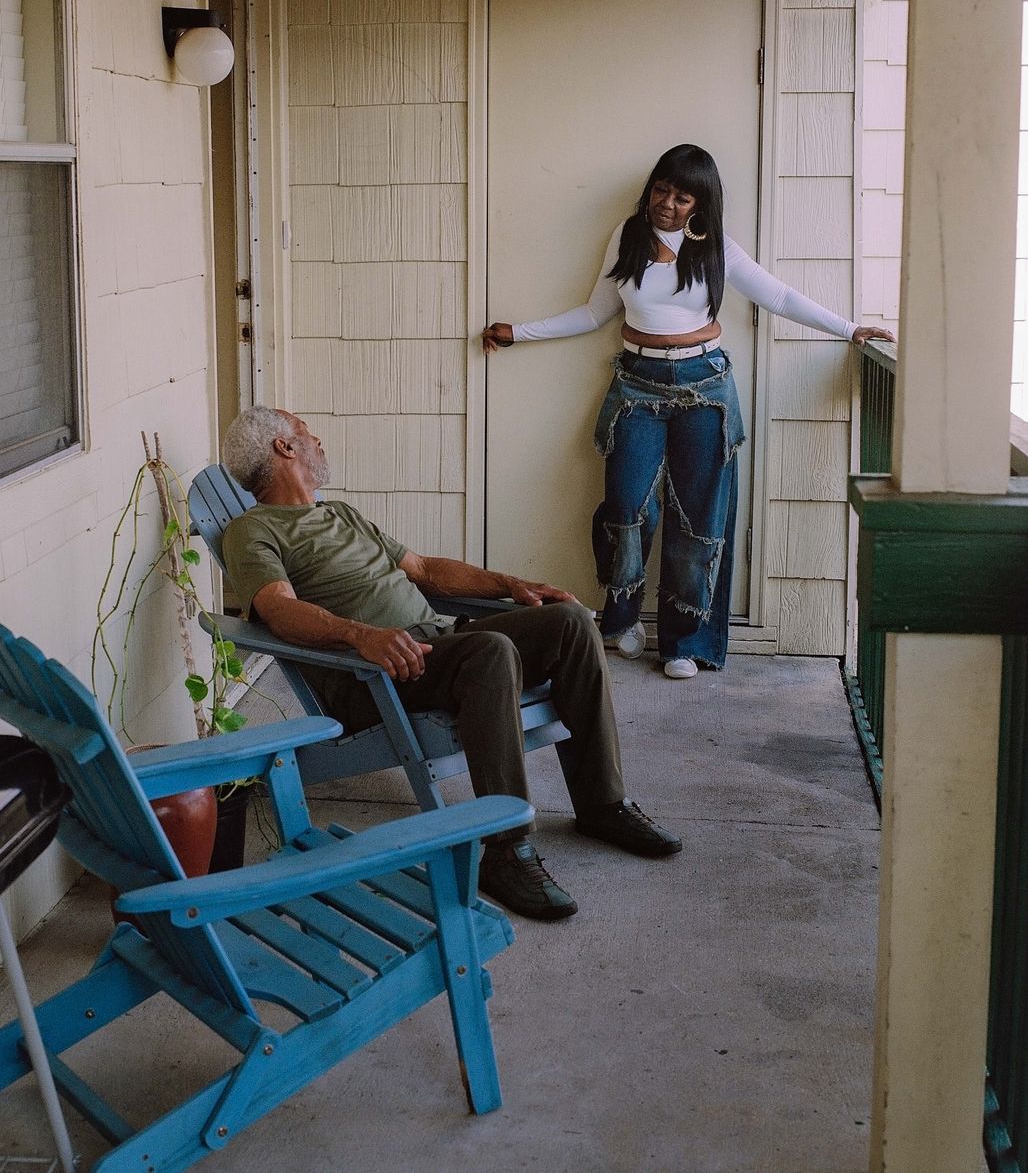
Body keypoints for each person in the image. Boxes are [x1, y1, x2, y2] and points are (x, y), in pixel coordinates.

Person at [220, 405, 683, 924]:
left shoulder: (340, 514)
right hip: (375, 676)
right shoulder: (251, 531)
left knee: (570, 621)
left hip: (437, 647)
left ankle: (603, 804)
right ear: (284, 447)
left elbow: (422, 569)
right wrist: (360, 635)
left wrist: (511, 585)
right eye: (307, 432)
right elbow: (278, 610)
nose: (318, 440)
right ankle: (505, 850)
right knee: (491, 651)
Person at [483, 143, 894, 679]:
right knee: (625, 506)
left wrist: (849, 328)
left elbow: (779, 297)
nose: (667, 204)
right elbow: (594, 313)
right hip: (637, 385)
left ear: (700, 203)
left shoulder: (717, 246)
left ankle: (684, 642)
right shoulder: (627, 236)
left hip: (705, 386)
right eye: (661, 191)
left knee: (698, 515)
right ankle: (622, 619)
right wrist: (520, 332)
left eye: (682, 197)